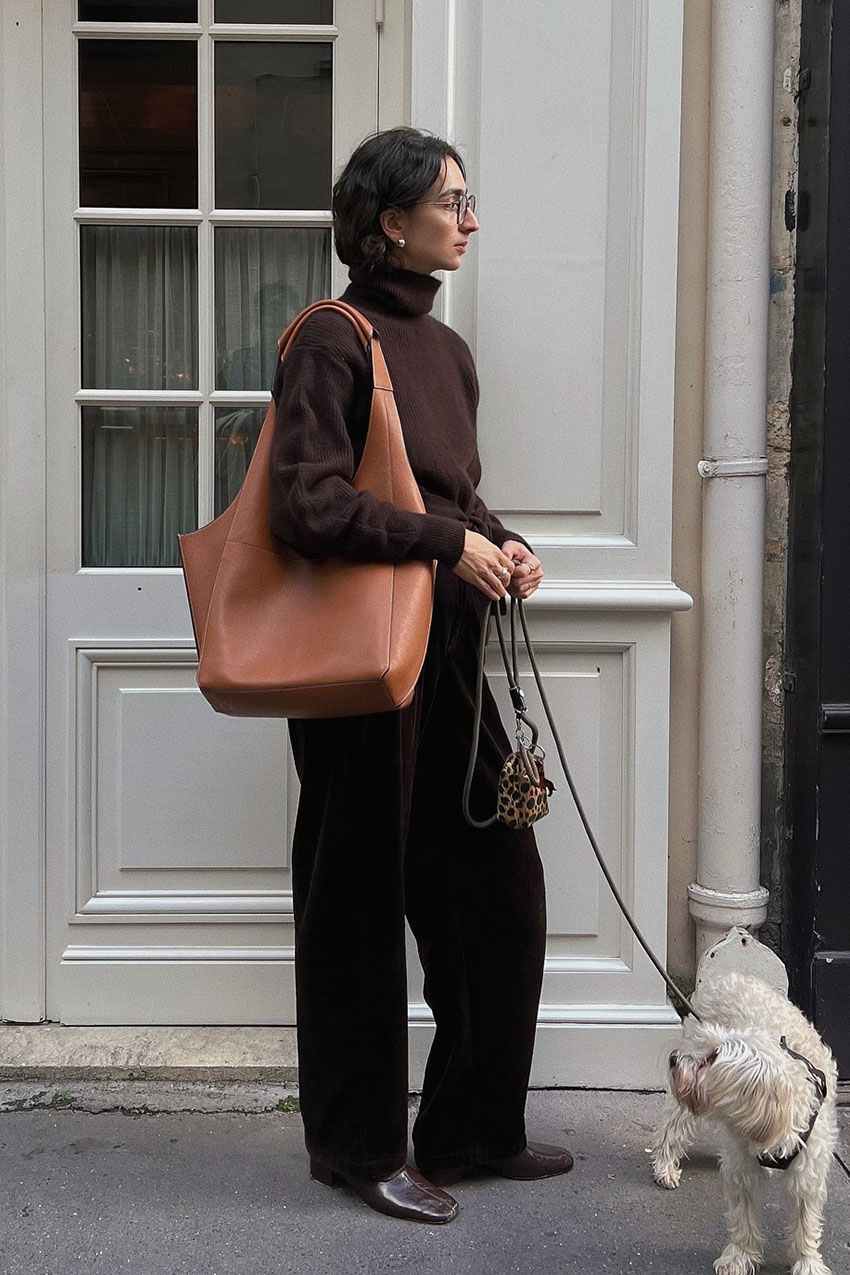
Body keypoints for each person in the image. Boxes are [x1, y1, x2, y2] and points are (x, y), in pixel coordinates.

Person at [267, 127, 572, 1225]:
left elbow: (445, 496)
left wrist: (503, 541)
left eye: (468, 199)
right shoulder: (333, 341)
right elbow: (301, 504)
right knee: (356, 908)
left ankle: (473, 1126)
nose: (471, 220)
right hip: (359, 674)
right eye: (452, 202)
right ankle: (356, 1150)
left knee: (498, 894)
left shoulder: (442, 354)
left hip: (447, 655)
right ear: (390, 222)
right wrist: (449, 547)